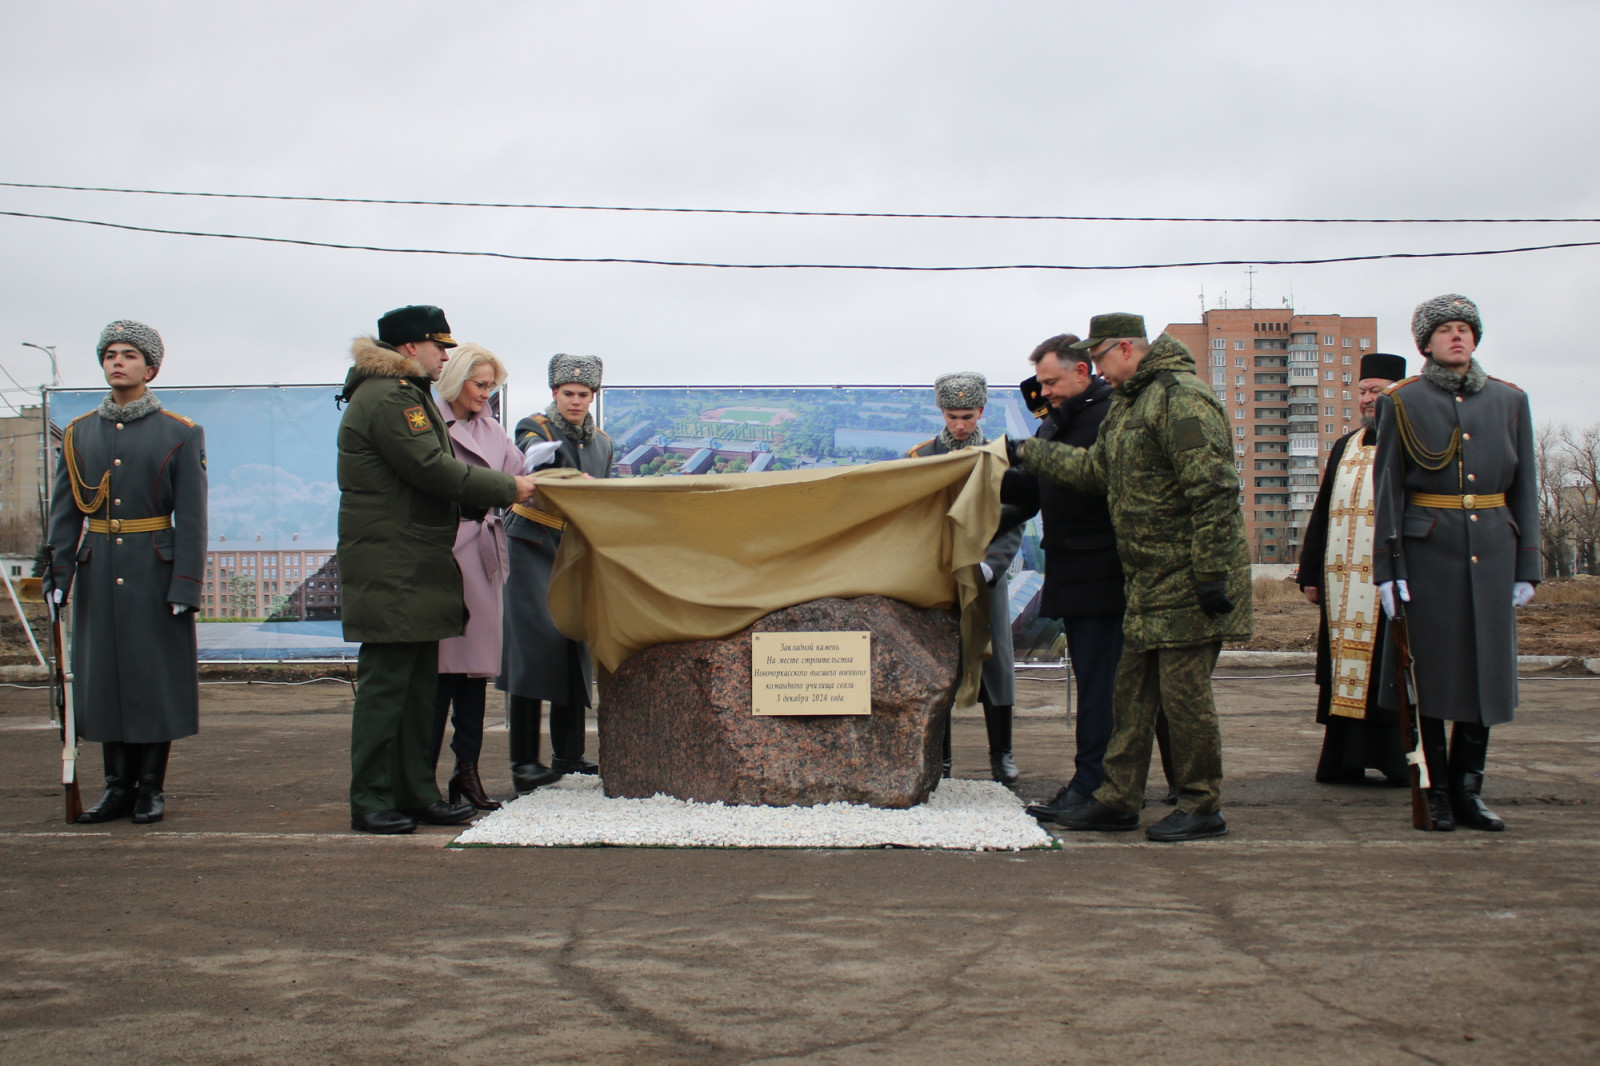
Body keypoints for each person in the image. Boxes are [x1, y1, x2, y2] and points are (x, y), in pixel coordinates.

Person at [1009, 313, 1252, 842]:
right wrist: (1029, 452)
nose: (1096, 371)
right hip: (1144, 578)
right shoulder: (1130, 405)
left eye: (1097, 360)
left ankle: (1201, 803)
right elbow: (1096, 470)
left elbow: (1212, 489)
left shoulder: (1179, 397)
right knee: (1131, 697)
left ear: (1125, 348)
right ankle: (1115, 799)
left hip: (1187, 578)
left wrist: (1211, 573)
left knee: (1184, 702)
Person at [337, 305, 538, 835]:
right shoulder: (387, 398)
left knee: (418, 691)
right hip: (394, 561)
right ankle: (372, 798)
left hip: (416, 560)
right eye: (437, 346)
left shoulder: (406, 396)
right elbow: (430, 469)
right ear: (409, 349)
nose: (444, 356)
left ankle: (415, 792)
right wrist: (506, 489)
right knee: (387, 691)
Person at [1372, 294, 1539, 832]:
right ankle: (1436, 790)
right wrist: (1388, 568)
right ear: (1425, 343)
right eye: (1445, 329)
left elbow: (1526, 489)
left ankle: (1471, 789)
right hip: (1428, 554)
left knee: (1484, 675)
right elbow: (1389, 489)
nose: (1457, 337)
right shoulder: (1402, 401)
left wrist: (1526, 565)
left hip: (1492, 551)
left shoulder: (1510, 401)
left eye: (1465, 328)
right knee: (1434, 678)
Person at [45, 320, 207, 825]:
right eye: (110, 354)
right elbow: (65, 512)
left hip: (154, 573)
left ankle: (149, 790)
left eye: (129, 355)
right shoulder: (78, 434)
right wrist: (58, 575)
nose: (117, 361)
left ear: (151, 368)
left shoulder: (179, 432)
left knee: (151, 681)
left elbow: (193, 517)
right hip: (98, 572)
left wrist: (185, 584)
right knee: (104, 680)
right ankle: (116, 788)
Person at [1008, 335, 1128, 819]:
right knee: (1095, 688)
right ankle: (1089, 783)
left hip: (1104, 577)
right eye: (1041, 383)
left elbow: (1098, 481)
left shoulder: (1107, 419)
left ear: (1083, 372)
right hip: (1077, 578)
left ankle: (1097, 788)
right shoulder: (1061, 421)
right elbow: (1032, 492)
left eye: (1051, 381)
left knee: (1103, 692)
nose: (1046, 392)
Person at [499, 354, 615, 788]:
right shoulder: (535, 427)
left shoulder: (602, 442)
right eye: (568, 393)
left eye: (584, 395)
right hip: (531, 542)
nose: (576, 401)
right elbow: (536, 466)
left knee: (573, 645)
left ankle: (569, 754)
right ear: (554, 393)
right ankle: (523, 762)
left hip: (574, 547)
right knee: (531, 648)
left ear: (593, 396)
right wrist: (572, 479)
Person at [1296, 351, 1411, 785]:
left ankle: (1392, 758)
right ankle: (1343, 760)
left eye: (1375, 392)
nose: (1366, 399)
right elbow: (1323, 511)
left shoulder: (1412, 443)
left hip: (1387, 583)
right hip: (1341, 583)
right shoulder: (1345, 446)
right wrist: (1309, 574)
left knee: (1386, 671)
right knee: (1342, 672)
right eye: (1362, 391)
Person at [908, 372, 1022, 785]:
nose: (960, 424)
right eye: (954, 416)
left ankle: (1002, 754)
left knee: (996, 663)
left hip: (986, 574)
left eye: (968, 416)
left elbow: (1014, 521)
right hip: (938, 578)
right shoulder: (921, 459)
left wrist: (993, 565)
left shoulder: (1001, 456)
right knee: (938, 666)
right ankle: (941, 758)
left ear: (982, 411)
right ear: (941, 411)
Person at [428, 343, 524, 811]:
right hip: (444, 555)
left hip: (483, 557)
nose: (487, 394)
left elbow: (523, 480)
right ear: (456, 380)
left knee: (474, 675)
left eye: (492, 386)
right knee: (439, 677)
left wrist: (566, 483)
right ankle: (423, 778)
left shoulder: (492, 430)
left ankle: (466, 772)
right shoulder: (428, 423)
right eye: (480, 384)